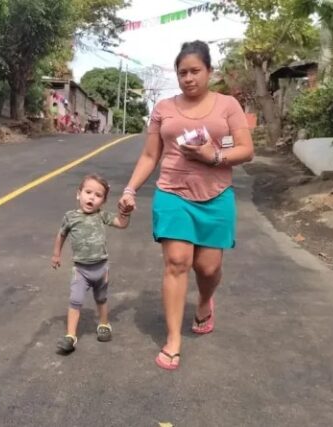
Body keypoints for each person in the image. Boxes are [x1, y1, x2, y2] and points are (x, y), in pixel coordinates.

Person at [118, 41, 254, 371]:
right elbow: (151, 155)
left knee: (207, 268)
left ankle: (205, 301)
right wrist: (130, 189)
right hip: (172, 194)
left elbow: (246, 149)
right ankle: (173, 339)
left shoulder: (228, 105)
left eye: (195, 71)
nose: (188, 78)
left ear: (209, 72)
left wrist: (214, 156)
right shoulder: (164, 107)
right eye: (182, 72)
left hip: (216, 196)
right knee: (177, 262)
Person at [52, 174, 131, 354]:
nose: (92, 197)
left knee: (101, 298)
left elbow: (121, 223)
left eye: (98, 195)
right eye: (88, 192)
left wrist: (125, 212)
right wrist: (56, 254)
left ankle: (104, 324)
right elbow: (61, 235)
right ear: (78, 194)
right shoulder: (70, 217)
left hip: (101, 268)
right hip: (81, 269)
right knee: (75, 300)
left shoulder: (102, 216)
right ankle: (70, 336)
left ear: (103, 201)